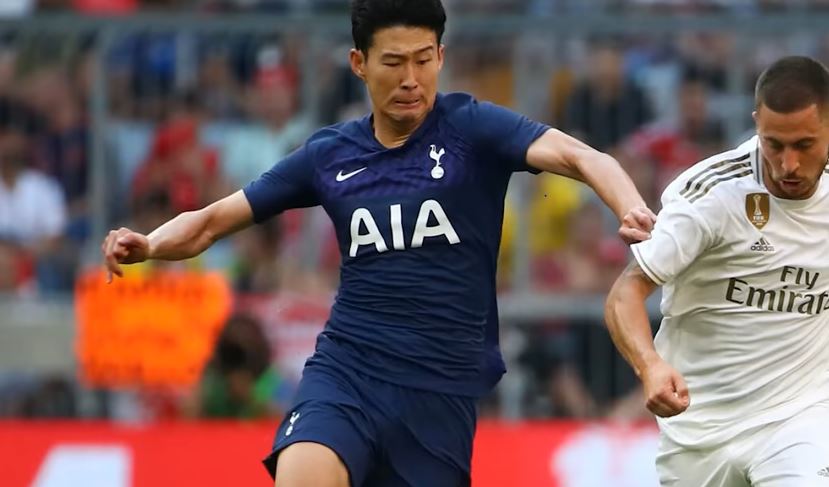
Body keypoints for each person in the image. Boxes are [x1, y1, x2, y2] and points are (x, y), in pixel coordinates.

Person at [102, 1, 655, 485]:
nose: (411, 78)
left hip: (439, 392)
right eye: (393, 62)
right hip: (348, 369)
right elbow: (211, 222)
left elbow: (583, 157)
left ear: (440, 56)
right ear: (359, 63)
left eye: (423, 60)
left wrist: (631, 208)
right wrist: (148, 244)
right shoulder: (329, 155)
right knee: (303, 471)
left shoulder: (472, 128)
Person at [605, 55, 829, 487]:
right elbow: (624, 294)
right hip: (700, 432)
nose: (788, 164)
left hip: (802, 417)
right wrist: (650, 366)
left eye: (804, 145)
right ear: (756, 123)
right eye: (774, 144)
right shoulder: (712, 195)